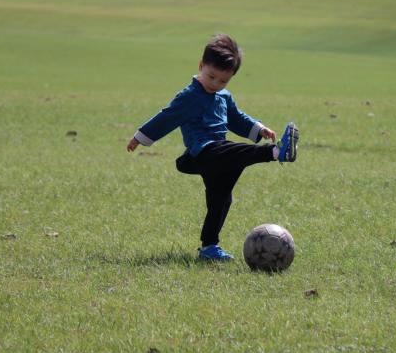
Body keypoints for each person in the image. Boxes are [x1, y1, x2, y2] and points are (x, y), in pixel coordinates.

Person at [127, 34, 298, 261]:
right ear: (201, 66)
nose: (215, 84)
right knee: (233, 150)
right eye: (211, 76)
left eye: (223, 81)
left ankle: (209, 247)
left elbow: (237, 119)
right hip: (202, 152)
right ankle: (277, 152)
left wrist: (258, 129)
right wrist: (141, 137)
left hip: (220, 155)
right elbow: (166, 118)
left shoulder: (223, 97)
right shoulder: (188, 96)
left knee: (221, 199)